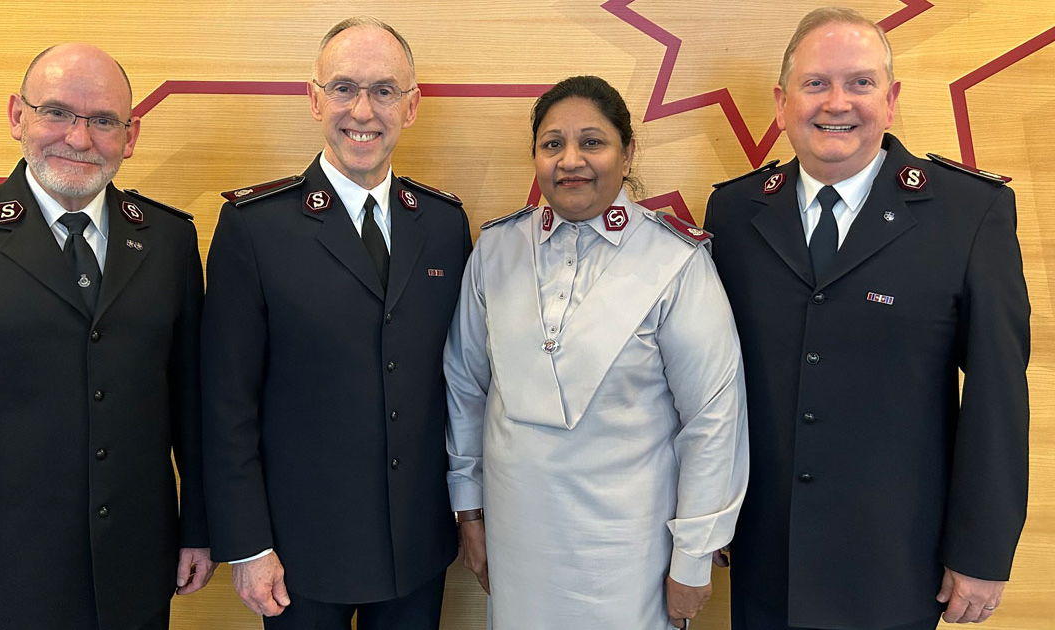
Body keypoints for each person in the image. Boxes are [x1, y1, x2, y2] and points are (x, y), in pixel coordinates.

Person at [703, 7, 1030, 630]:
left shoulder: (969, 214)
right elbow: (713, 384)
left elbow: (997, 396)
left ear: (891, 97)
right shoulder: (734, 212)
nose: (837, 103)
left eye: (860, 82)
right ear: (781, 101)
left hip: (895, 559)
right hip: (765, 553)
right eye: (815, 83)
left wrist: (983, 551)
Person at [0, 43, 215, 630]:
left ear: (130, 136)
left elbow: (192, 406)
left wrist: (201, 529)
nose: (79, 139)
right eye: (57, 112)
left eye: (104, 120)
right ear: (18, 117)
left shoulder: (169, 241)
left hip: (134, 575)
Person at [445, 75, 749, 630]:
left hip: (630, 556)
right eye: (552, 143)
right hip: (518, 544)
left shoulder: (675, 260)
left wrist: (694, 556)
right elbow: (465, 386)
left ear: (628, 151)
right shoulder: (495, 250)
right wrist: (469, 509)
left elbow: (713, 419)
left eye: (592, 142)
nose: (571, 160)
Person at [201, 16, 471, 630]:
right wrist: (247, 545)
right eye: (344, 88)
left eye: (384, 90)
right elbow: (227, 402)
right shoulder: (256, 228)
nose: (363, 111)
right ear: (315, 98)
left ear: (413, 105)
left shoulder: (444, 225)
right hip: (299, 556)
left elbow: (456, 383)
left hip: (416, 549)